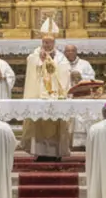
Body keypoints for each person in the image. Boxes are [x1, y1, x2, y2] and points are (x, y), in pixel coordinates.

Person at [22, 18, 73, 161]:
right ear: (41, 42)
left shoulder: (61, 57)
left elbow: (65, 70)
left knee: (56, 121)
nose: (47, 44)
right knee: (39, 122)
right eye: (44, 42)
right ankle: (39, 151)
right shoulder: (35, 54)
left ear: (54, 43)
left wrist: (53, 63)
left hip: (55, 94)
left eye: (49, 42)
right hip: (39, 93)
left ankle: (56, 152)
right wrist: (40, 60)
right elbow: (31, 64)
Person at [64, 44, 96, 146]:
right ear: (64, 53)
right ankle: (67, 141)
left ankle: (82, 142)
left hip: (82, 95)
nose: (70, 53)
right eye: (67, 51)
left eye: (72, 51)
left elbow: (92, 78)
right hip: (67, 95)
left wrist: (80, 77)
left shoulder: (85, 64)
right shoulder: (61, 64)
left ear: (76, 52)